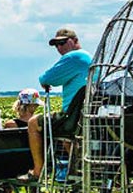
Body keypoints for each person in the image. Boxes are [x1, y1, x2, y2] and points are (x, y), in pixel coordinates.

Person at [26, 28, 92, 178]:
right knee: (67, 134)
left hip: (72, 116)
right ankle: (75, 166)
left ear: (74, 41)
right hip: (84, 115)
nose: (59, 47)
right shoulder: (89, 58)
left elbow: (47, 78)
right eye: (56, 45)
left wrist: (45, 81)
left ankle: (38, 170)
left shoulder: (73, 57)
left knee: (33, 123)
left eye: (62, 43)